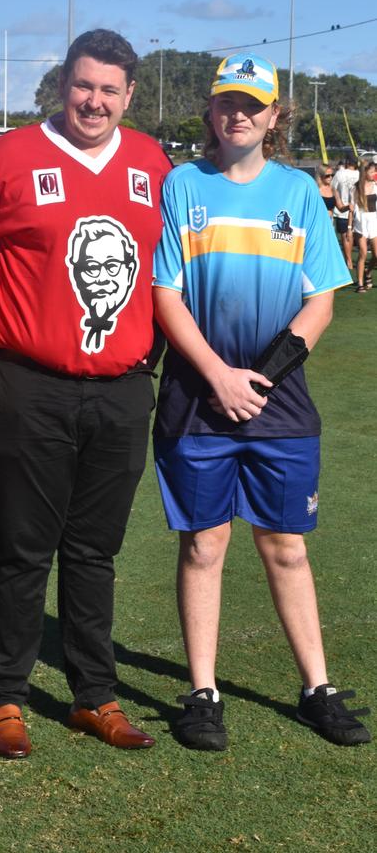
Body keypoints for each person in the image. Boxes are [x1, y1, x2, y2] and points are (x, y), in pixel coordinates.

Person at [0, 29, 172, 758]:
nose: (94, 101)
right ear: (63, 83)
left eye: (110, 90)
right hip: (27, 386)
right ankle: (5, 698)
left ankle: (94, 696)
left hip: (124, 390)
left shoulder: (153, 163)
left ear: (129, 96)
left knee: (95, 553)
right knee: (24, 551)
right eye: (83, 85)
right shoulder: (11, 156)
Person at [152, 52, 371, 751]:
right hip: (197, 398)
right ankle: (204, 692)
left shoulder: (300, 190)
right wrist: (218, 375)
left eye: (253, 104)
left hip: (278, 402)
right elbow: (166, 294)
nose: (238, 114)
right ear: (210, 111)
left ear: (275, 116)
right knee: (204, 545)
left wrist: (264, 377)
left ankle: (316, 688)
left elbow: (321, 301)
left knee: (285, 547)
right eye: (226, 102)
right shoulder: (182, 185)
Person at [351, 160, 377, 293]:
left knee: (376, 255)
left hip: (374, 221)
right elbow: (352, 208)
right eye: (372, 171)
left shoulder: (375, 185)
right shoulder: (356, 187)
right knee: (362, 253)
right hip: (361, 223)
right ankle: (360, 284)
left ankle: (368, 272)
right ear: (365, 172)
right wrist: (350, 228)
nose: (374, 173)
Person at [332, 155, 359, 270]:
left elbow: (332, 187)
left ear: (347, 162)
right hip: (358, 210)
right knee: (353, 234)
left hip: (343, 209)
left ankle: (348, 261)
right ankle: (352, 260)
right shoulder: (360, 174)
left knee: (345, 235)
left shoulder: (340, 174)